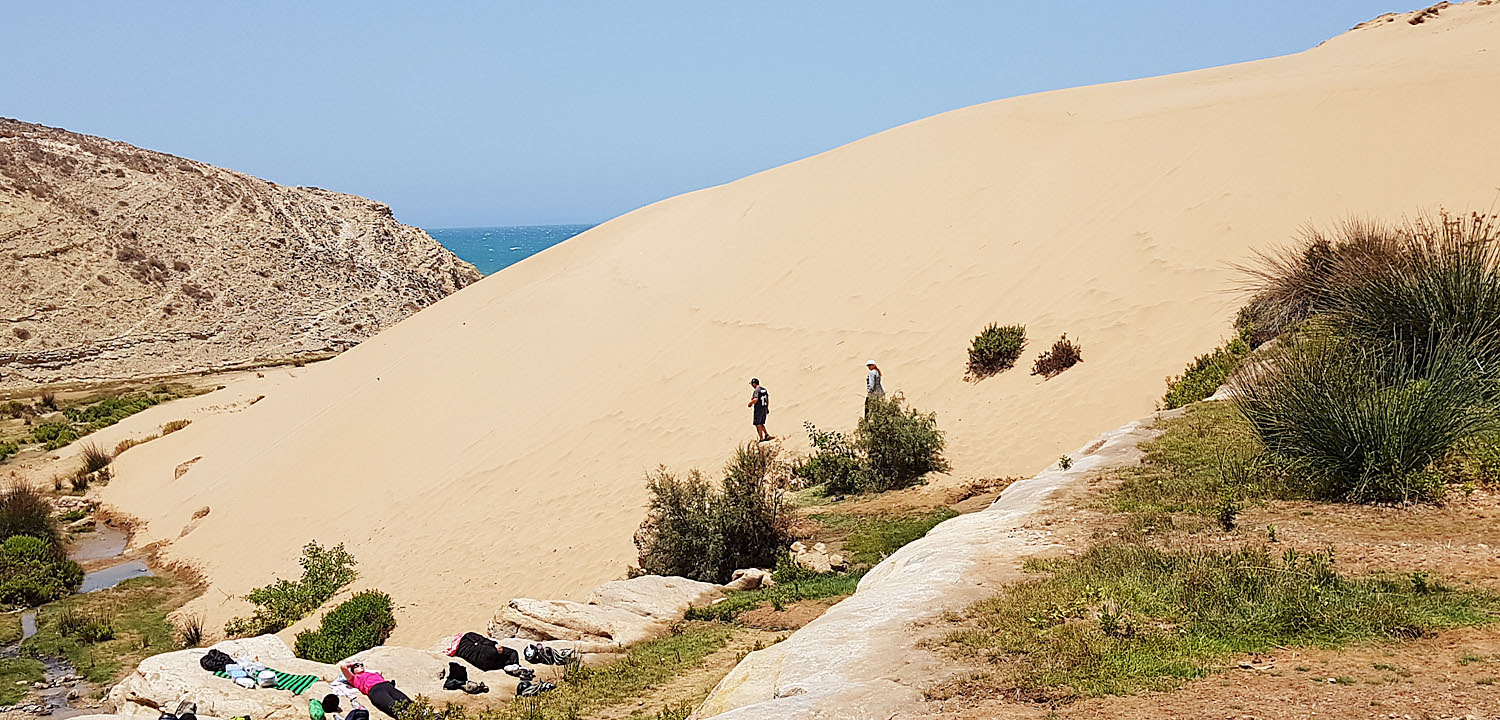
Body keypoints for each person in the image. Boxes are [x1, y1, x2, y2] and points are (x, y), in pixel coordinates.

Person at [339, 661, 409, 719]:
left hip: (387, 686)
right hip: (375, 690)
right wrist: (352, 663)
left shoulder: (373, 673)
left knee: (408, 703)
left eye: (361, 665)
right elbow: (343, 666)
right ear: (353, 670)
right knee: (394, 708)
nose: (360, 666)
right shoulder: (354, 678)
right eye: (356, 666)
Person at [748, 378, 773, 442]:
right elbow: (767, 399)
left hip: (759, 409)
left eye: (752, 384)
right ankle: (766, 435)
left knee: (757, 424)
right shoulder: (764, 390)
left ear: (754, 384)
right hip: (764, 408)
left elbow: (755, 399)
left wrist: (750, 403)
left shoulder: (757, 390)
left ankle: (761, 439)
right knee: (761, 423)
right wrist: (767, 408)